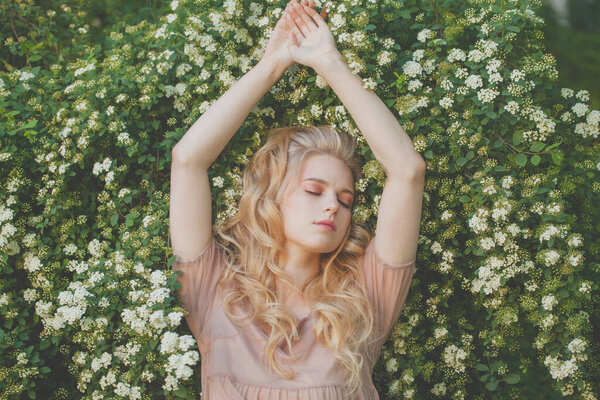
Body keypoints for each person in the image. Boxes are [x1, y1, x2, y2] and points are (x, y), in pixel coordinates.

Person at [169, 0, 426, 398]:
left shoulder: (365, 297)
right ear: (273, 196)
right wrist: (272, 64)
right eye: (313, 190)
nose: (332, 207)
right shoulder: (214, 290)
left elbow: (407, 171)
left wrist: (330, 62)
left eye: (345, 200)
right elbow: (187, 161)